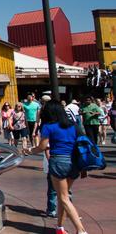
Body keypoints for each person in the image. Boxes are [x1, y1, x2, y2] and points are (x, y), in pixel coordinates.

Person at [24, 100, 88, 234]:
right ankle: (60, 227)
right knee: (62, 197)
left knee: (64, 198)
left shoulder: (48, 126)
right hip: (74, 163)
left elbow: (42, 147)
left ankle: (81, 230)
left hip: (58, 161)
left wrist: (29, 150)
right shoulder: (73, 125)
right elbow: (82, 144)